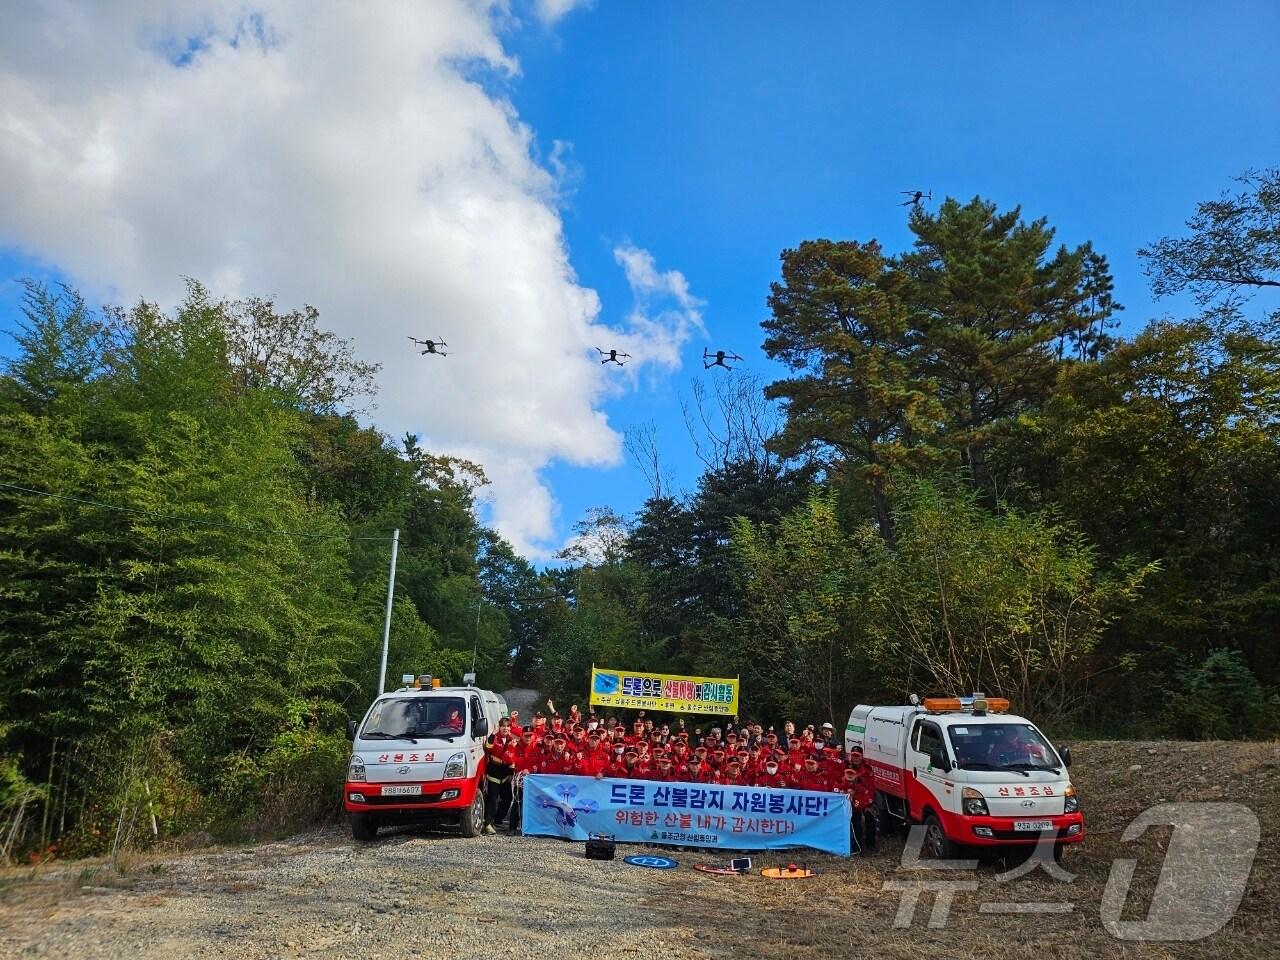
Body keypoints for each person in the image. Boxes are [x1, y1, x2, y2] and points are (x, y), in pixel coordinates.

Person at [482, 717, 518, 835]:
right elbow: (488, 746)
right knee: (492, 800)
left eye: (508, 726)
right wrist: (492, 734)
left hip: (505, 775)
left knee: (507, 799)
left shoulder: (511, 740)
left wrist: (511, 774)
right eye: (503, 726)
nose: (506, 728)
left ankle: (497, 820)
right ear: (499, 727)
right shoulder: (495, 737)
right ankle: (488, 824)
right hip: (494, 774)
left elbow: (513, 759)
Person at [845, 748, 878, 854]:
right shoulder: (846, 767)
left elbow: (871, 787)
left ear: (862, 756)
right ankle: (858, 846)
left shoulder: (868, 769)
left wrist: (869, 802)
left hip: (864, 799)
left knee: (870, 819)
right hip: (851, 800)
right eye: (853, 755)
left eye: (858, 756)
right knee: (856, 822)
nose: (855, 758)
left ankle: (871, 845)